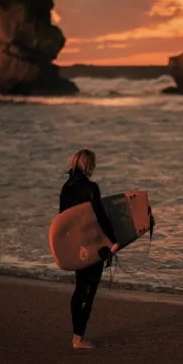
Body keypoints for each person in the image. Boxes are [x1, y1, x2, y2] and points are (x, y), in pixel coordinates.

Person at [59, 148, 117, 350]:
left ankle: (77, 334)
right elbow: (100, 217)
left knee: (79, 288)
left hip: (77, 246)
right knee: (89, 290)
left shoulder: (66, 187)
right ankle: (78, 339)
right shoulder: (91, 188)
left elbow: (63, 220)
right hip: (92, 244)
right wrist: (113, 241)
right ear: (88, 165)